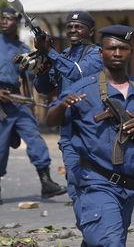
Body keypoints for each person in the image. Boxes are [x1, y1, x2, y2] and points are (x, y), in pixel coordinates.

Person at [46, 24, 134, 246]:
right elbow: (50, 120)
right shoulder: (83, 88)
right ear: (101, 52)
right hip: (96, 183)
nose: (117, 53)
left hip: (130, 186)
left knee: (106, 239)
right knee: (111, 242)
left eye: (123, 48)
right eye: (111, 48)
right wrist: (62, 106)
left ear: (130, 52)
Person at [0, 7, 66, 205]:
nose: (4, 21)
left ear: (17, 22)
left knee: (35, 139)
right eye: (2, 18)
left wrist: (30, 104)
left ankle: (46, 183)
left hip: (17, 101)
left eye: (8, 18)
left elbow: (26, 80)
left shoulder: (23, 50)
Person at [34, 11, 102, 201]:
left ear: (90, 31)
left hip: (93, 124)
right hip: (69, 125)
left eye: (78, 27)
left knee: (96, 175)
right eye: (70, 27)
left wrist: (50, 52)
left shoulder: (97, 54)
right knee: (73, 176)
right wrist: (43, 64)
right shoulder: (62, 55)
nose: (73, 30)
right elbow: (43, 88)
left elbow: (76, 73)